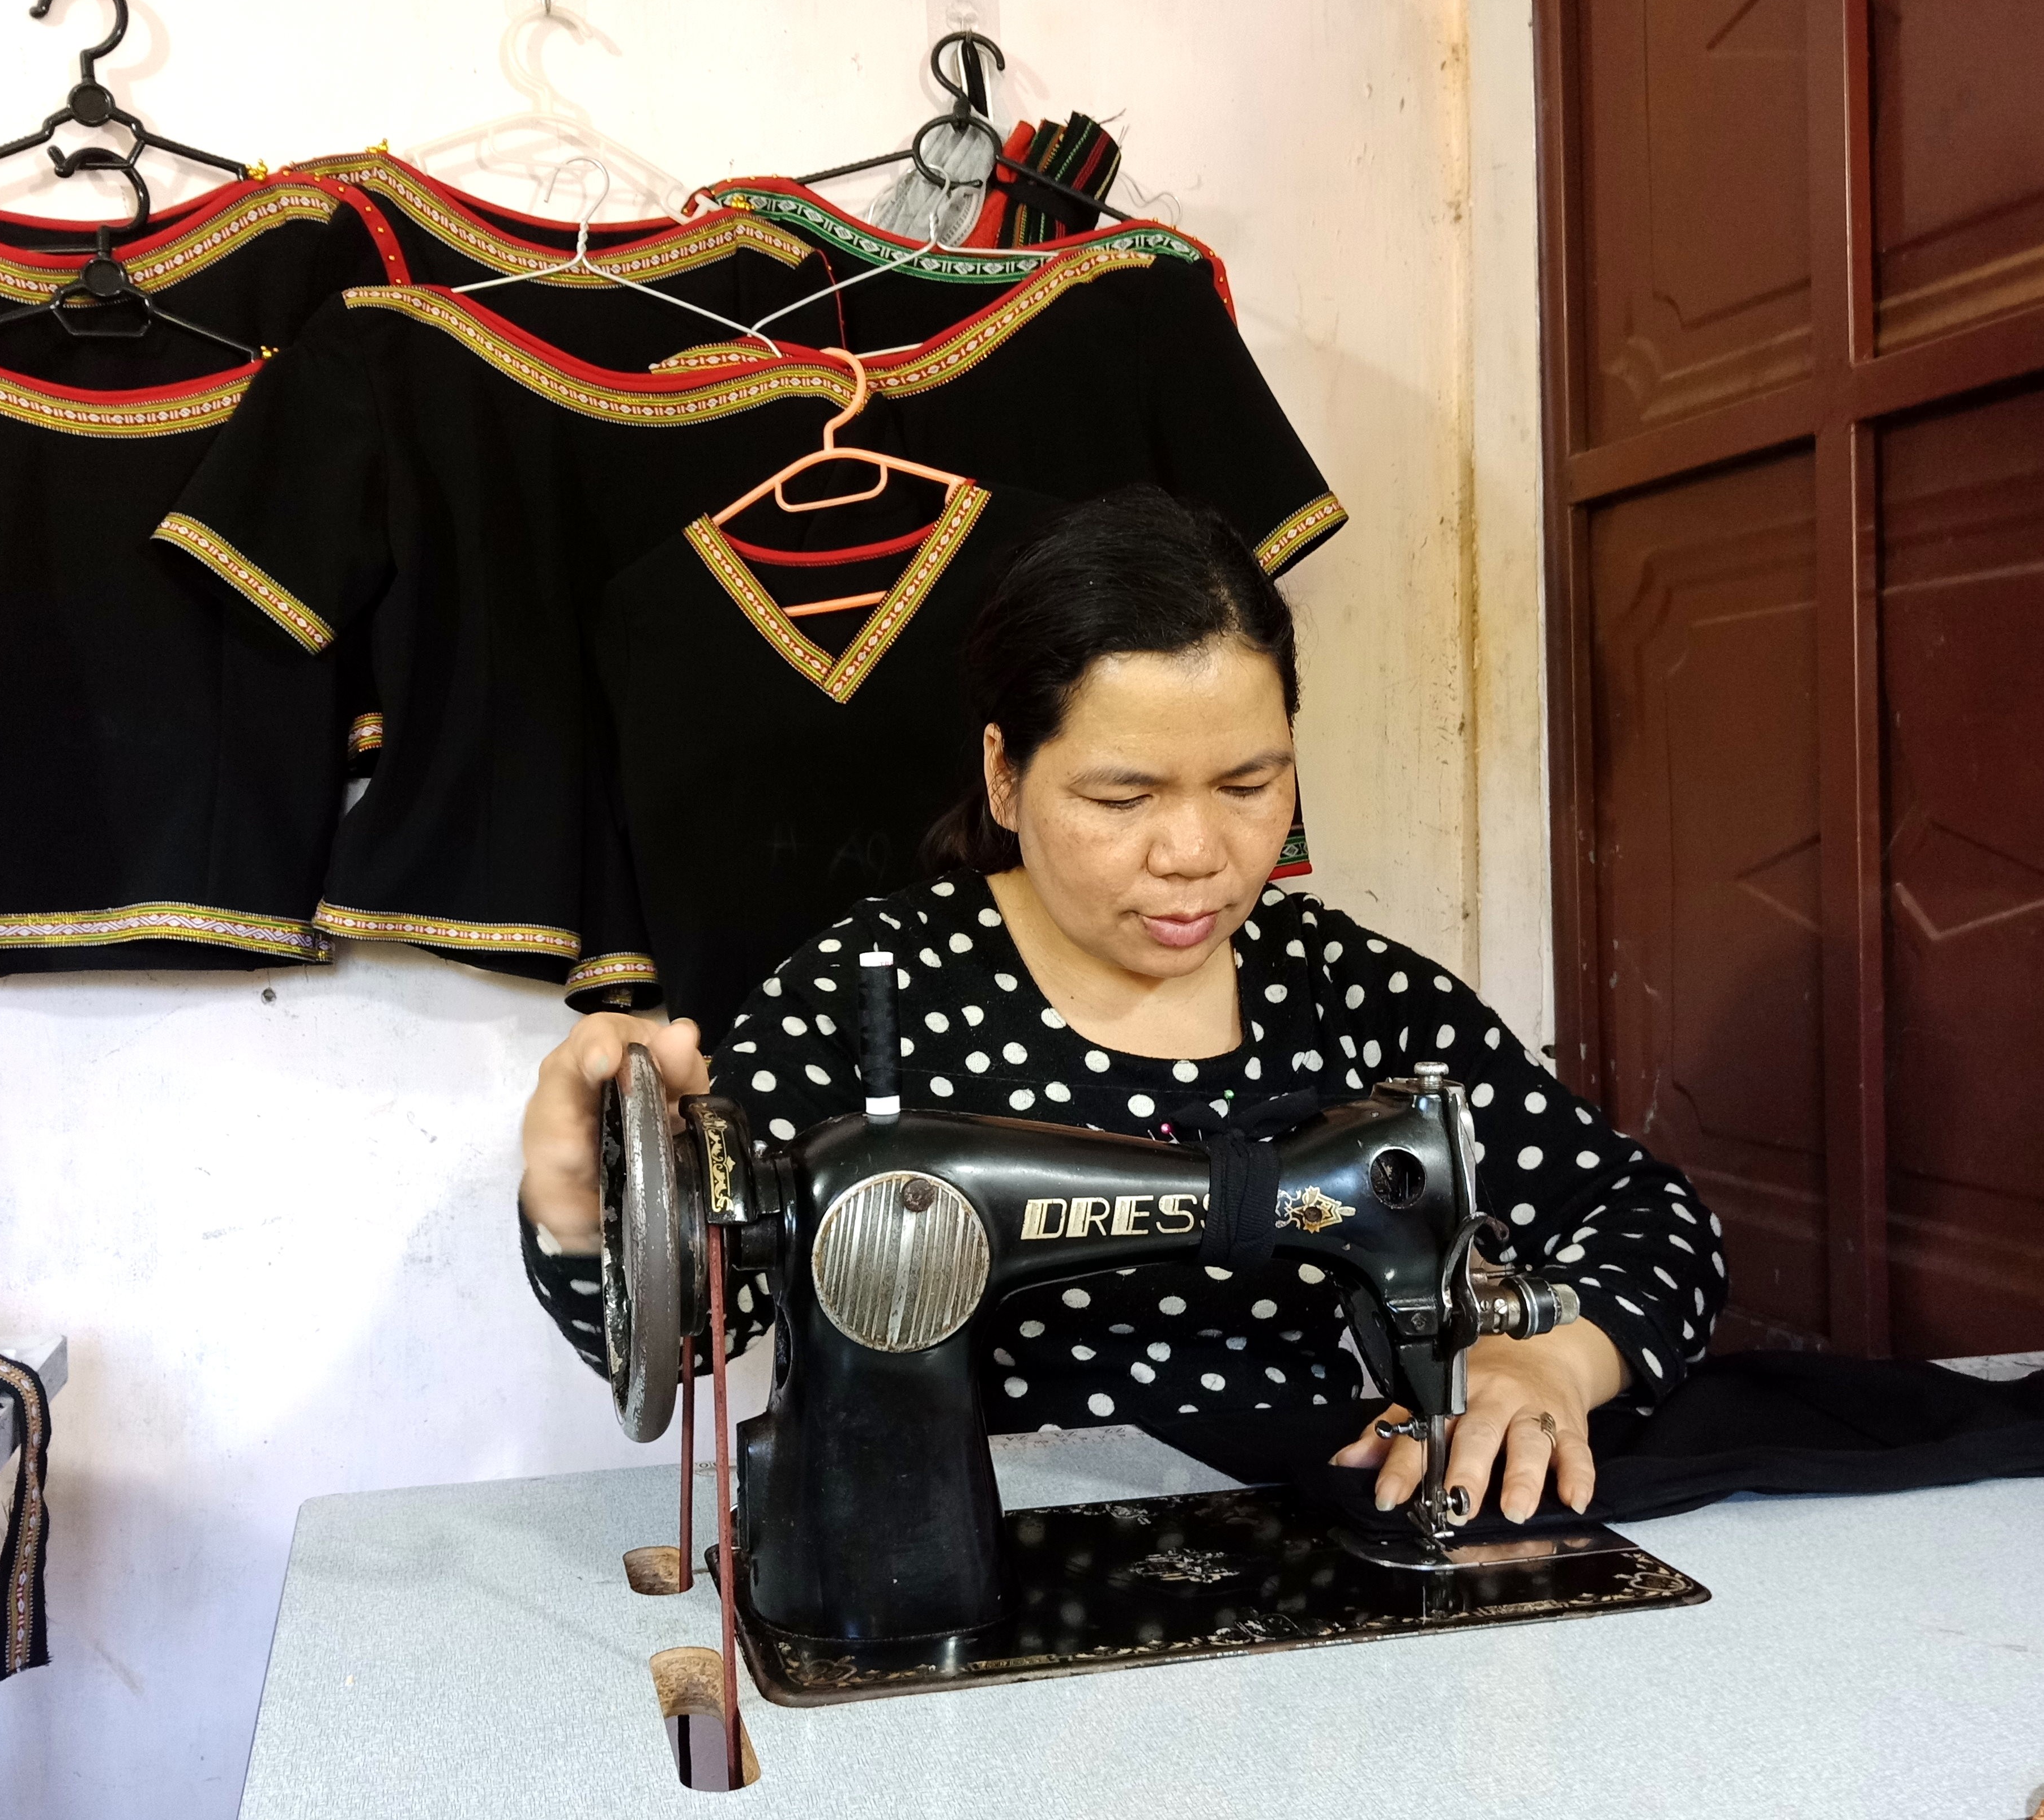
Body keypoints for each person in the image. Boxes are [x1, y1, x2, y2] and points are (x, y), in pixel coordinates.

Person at [518, 486, 1726, 1527]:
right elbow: (694, 1323)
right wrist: (580, 1206)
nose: (1196, 852)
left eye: (1249, 783)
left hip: (1301, 1535)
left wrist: (1552, 1361)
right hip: (969, 1548)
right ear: (1004, 773)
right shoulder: (871, 990)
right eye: (1122, 796)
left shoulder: (1347, 991)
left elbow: (1649, 1220)